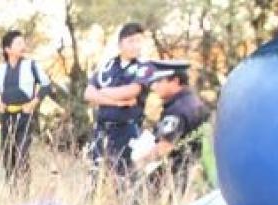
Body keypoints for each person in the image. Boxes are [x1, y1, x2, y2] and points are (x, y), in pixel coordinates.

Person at [84, 22, 153, 178]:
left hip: (128, 130)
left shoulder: (145, 67)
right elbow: (88, 93)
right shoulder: (107, 66)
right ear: (120, 43)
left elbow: (131, 91)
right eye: (131, 41)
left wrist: (103, 92)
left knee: (125, 176)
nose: (136, 46)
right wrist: (116, 103)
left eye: (139, 41)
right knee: (97, 174)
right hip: (102, 129)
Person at [134, 60, 211, 190]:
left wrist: (139, 162)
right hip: (196, 174)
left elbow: (165, 147)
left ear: (175, 81)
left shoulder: (177, 110)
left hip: (177, 177)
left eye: (159, 81)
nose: (154, 87)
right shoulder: (194, 102)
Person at [0, 30, 51, 178]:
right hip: (7, 117)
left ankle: (24, 193)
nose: (23, 46)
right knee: (8, 157)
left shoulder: (31, 65)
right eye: (19, 43)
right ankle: (12, 193)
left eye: (23, 43)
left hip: (26, 116)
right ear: (7, 49)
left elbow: (47, 85)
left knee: (22, 154)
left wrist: (33, 103)